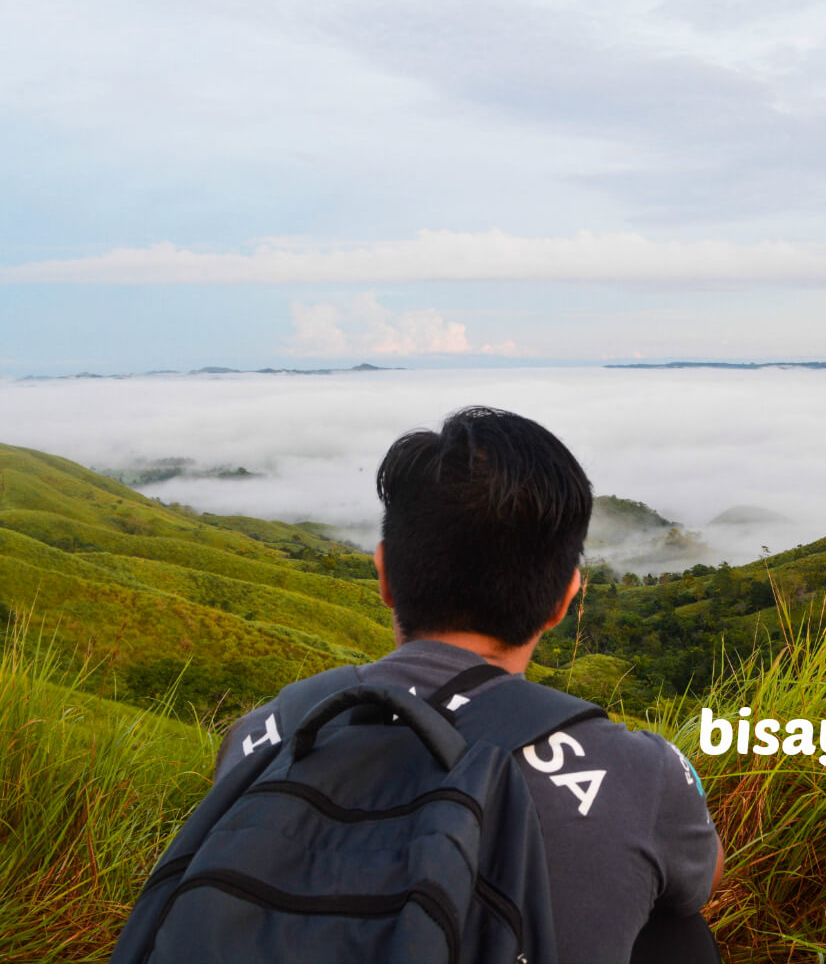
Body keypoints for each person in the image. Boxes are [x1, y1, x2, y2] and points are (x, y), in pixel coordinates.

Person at [214, 406, 724, 964]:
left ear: (383, 576)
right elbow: (703, 881)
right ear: (564, 600)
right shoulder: (639, 773)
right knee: (679, 932)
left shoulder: (258, 737)